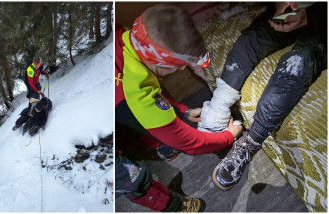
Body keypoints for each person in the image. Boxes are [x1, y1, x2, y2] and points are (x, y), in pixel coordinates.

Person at [115, 4, 243, 212]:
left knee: (142, 124)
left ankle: (162, 143)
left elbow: (151, 91)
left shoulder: (126, 38)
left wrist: (182, 110)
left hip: (122, 110)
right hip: (110, 138)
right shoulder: (137, 96)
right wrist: (229, 136)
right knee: (135, 178)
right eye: (178, 66)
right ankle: (173, 205)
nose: (183, 69)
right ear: (155, 61)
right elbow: (192, 143)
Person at [197, 2, 327, 190]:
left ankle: (251, 143)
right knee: (248, 42)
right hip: (288, 15)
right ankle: (218, 107)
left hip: (323, 24)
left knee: (299, 62)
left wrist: (310, 17)